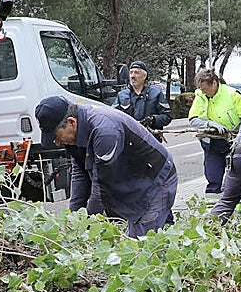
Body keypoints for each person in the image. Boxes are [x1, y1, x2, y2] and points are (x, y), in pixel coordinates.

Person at [34, 96, 177, 237]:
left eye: (57, 137)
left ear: (71, 122)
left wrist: (87, 223)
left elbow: (101, 188)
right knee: (157, 234)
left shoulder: (104, 131)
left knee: (139, 243)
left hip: (156, 180)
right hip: (134, 180)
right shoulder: (75, 133)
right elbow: (79, 174)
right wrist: (75, 216)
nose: (57, 143)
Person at [187, 68, 241, 194]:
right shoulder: (200, 95)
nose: (204, 93)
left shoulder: (232, 94)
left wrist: (240, 137)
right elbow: (193, 120)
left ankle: (238, 205)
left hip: (232, 141)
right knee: (213, 177)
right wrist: (209, 123)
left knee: (237, 178)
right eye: (201, 89)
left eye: (205, 89)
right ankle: (213, 207)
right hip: (212, 143)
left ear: (214, 83)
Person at [114, 60, 171, 140]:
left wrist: (153, 120)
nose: (132, 76)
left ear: (144, 76)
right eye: (131, 73)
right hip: (129, 142)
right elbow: (112, 116)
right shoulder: (121, 95)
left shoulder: (156, 93)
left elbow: (167, 116)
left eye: (136, 73)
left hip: (151, 141)